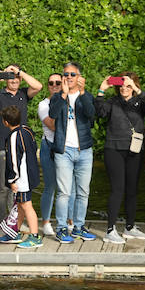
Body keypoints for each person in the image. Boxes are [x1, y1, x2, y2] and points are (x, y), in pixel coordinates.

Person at [93, 73, 145, 243]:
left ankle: (130, 227)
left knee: (132, 190)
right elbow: (100, 112)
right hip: (114, 149)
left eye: (128, 86)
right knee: (117, 189)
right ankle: (110, 229)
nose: (124, 89)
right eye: (122, 85)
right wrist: (101, 90)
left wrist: (135, 88)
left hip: (134, 149)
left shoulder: (139, 102)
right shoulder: (113, 102)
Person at [0, 64, 42, 232]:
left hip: (23, 150)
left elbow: (38, 86)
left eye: (16, 76)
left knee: (20, 188)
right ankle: (0, 224)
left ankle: (14, 222)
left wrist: (19, 72)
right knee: (3, 188)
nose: (13, 79)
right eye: (9, 75)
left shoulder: (24, 93)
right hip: (4, 147)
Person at [45, 63, 97, 242]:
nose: (68, 77)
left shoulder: (86, 96)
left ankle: (79, 226)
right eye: (65, 74)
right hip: (64, 150)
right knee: (64, 192)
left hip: (84, 150)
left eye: (72, 74)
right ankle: (61, 228)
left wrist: (82, 95)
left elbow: (91, 115)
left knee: (83, 192)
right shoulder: (58, 96)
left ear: (79, 77)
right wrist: (64, 95)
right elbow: (52, 114)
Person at [2, 105, 42, 249]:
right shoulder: (27, 130)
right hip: (30, 174)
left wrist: (12, 180)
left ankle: (35, 236)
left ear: (5, 122)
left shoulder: (13, 136)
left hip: (22, 179)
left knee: (26, 206)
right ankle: (14, 232)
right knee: (19, 205)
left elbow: (14, 161)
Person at [36, 73, 63, 236]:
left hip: (67, 146)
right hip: (49, 146)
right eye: (51, 83)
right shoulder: (43, 104)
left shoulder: (70, 101)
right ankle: (46, 222)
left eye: (58, 83)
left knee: (68, 188)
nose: (54, 85)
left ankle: (69, 222)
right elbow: (52, 125)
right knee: (50, 186)